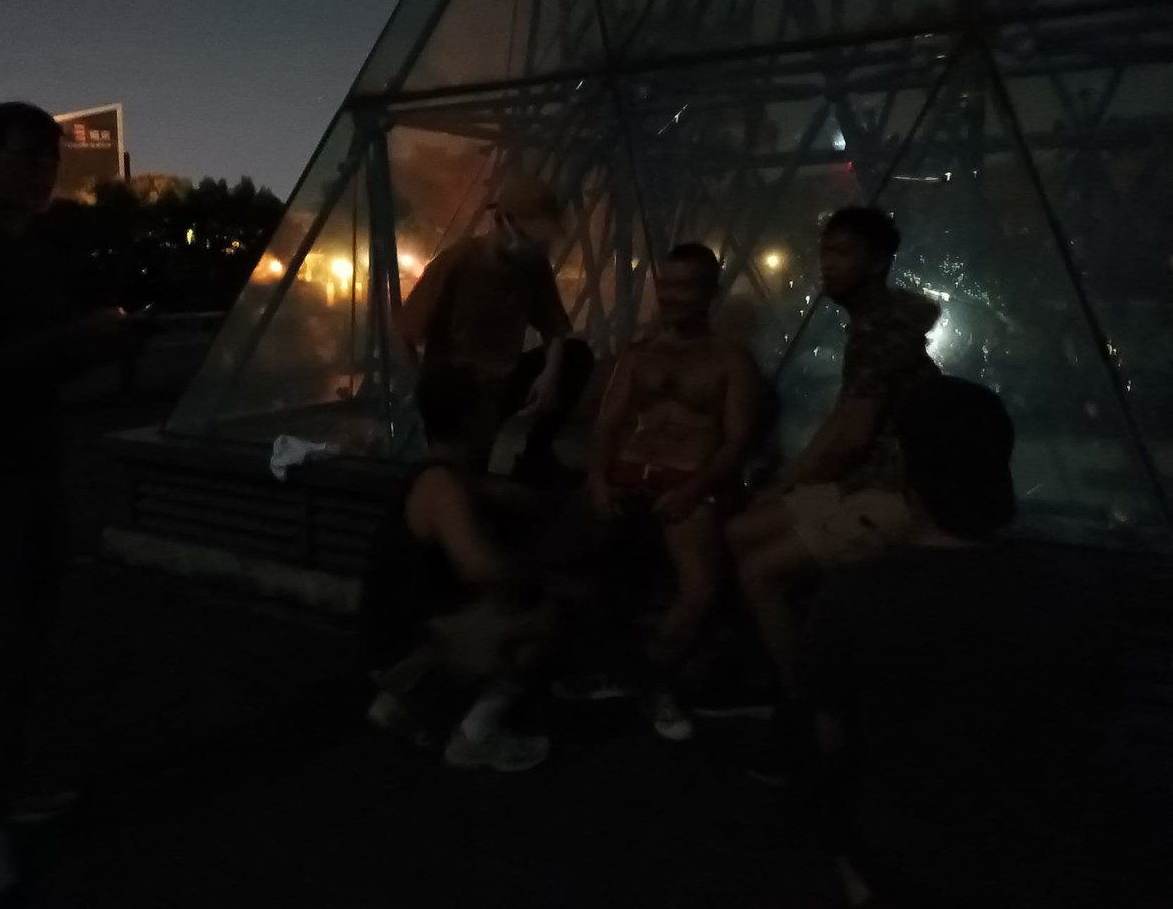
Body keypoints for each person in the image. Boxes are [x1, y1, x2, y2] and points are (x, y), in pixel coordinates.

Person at [0, 102, 145, 903]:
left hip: (28, 464)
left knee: (20, 640)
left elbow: (33, 363)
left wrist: (98, 345)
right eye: (27, 159)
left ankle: (2, 789)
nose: (44, 175)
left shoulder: (26, 251)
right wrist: (79, 338)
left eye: (50, 161)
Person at [803, 376, 1121, 908]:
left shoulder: (858, 596)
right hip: (1044, 862)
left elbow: (828, 738)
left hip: (909, 861)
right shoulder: (1075, 592)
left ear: (904, 467)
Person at [726, 207, 940, 696]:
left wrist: (789, 484)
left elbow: (853, 437)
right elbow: (844, 419)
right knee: (739, 531)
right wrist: (787, 483)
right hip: (862, 481)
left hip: (891, 493)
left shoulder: (879, 331)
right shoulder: (874, 324)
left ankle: (807, 703)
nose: (828, 262)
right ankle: (780, 658)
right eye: (825, 251)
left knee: (760, 576)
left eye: (843, 252)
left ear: (877, 262)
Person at [582, 243, 763, 738]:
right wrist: (597, 479)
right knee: (575, 563)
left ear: (709, 292)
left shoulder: (731, 360)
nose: (673, 297)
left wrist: (694, 490)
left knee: (700, 587)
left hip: (686, 479)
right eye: (667, 286)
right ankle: (635, 677)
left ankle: (645, 677)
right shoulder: (639, 356)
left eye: (686, 286)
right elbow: (607, 425)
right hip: (628, 475)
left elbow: (737, 442)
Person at [361, 365, 558, 773]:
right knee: (549, 616)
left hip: (387, 641)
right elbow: (483, 569)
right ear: (473, 420)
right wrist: (537, 582)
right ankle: (475, 734)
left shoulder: (436, 474)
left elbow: (494, 494)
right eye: (490, 409)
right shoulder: (443, 487)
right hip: (406, 648)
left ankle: (404, 704)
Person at [395, 175, 594, 483]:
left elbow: (555, 328)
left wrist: (550, 376)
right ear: (502, 221)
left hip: (504, 380)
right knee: (465, 474)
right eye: (531, 235)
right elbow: (405, 334)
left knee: (577, 356)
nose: (537, 245)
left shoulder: (533, 267)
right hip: (463, 388)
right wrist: (428, 397)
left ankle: (536, 455)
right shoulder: (457, 262)